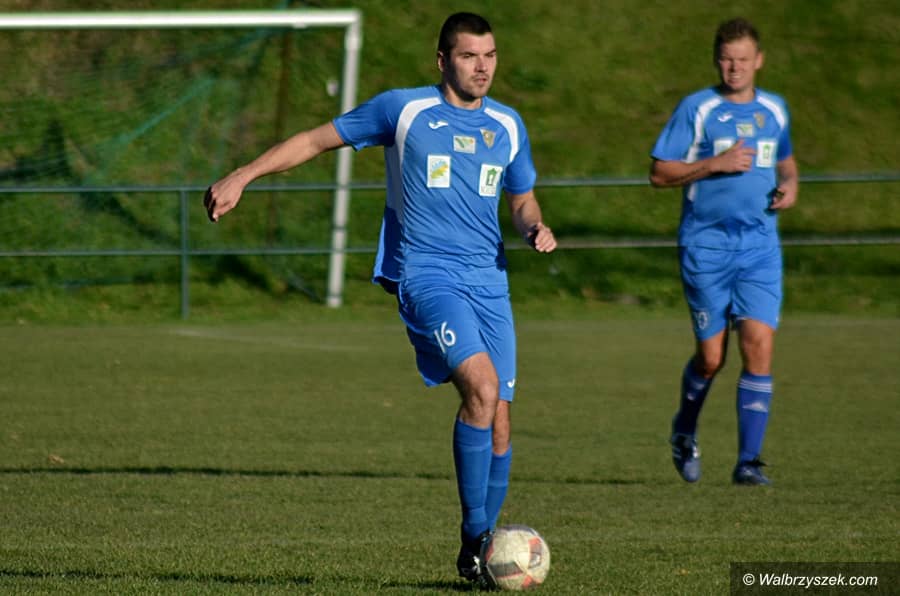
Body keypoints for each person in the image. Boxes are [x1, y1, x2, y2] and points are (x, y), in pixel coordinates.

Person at [204, 11, 556, 583]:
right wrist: (244, 175)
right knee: (482, 388)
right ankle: (477, 541)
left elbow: (522, 198)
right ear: (442, 60)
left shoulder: (508, 124)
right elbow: (316, 140)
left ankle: (483, 553)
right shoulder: (404, 110)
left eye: (489, 55)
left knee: (500, 421)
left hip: (490, 281)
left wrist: (533, 226)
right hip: (428, 275)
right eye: (469, 56)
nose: (482, 67)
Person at [649, 17, 798, 486]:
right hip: (706, 246)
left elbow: (787, 162)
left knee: (758, 345)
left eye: (743, 59)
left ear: (759, 61)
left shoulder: (774, 109)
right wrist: (715, 164)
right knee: (712, 358)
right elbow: (659, 173)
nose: (735, 67)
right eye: (727, 59)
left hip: (759, 246)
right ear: (717, 60)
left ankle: (748, 462)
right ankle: (684, 431)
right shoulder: (698, 108)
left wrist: (790, 185)